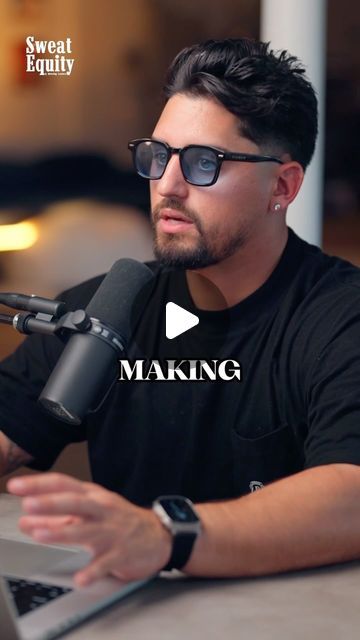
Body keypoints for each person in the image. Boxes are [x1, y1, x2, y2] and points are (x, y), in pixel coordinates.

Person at [2, 37, 360, 587]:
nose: (166, 186)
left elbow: (351, 495)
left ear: (282, 186)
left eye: (202, 163)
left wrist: (166, 535)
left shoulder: (339, 317)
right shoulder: (111, 306)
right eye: (158, 156)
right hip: (125, 612)